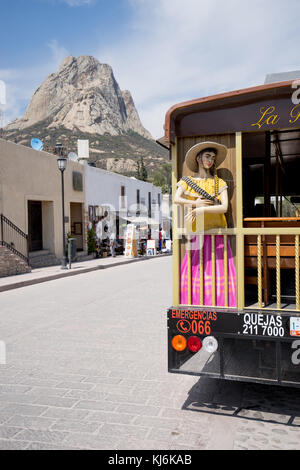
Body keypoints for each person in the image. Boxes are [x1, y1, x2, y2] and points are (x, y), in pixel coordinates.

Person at [174, 141, 236, 307]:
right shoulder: (187, 181)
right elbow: (176, 198)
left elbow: (223, 207)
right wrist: (195, 203)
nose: (210, 160)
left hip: (217, 234)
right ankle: (194, 302)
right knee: (197, 269)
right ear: (198, 158)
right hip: (196, 233)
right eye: (207, 156)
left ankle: (220, 303)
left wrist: (201, 210)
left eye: (213, 157)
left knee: (218, 269)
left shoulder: (219, 183)